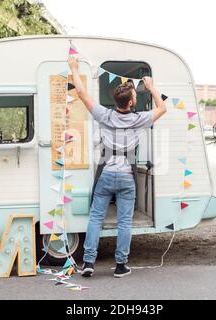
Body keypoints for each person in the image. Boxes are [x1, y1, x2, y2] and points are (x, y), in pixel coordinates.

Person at [68, 56, 167, 278]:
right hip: (126, 177)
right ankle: (121, 265)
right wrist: (150, 87)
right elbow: (162, 108)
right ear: (131, 102)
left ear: (116, 100)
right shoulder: (139, 119)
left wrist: (73, 68)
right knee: (124, 222)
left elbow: (82, 94)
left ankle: (89, 263)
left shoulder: (104, 114)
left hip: (106, 173)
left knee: (95, 217)